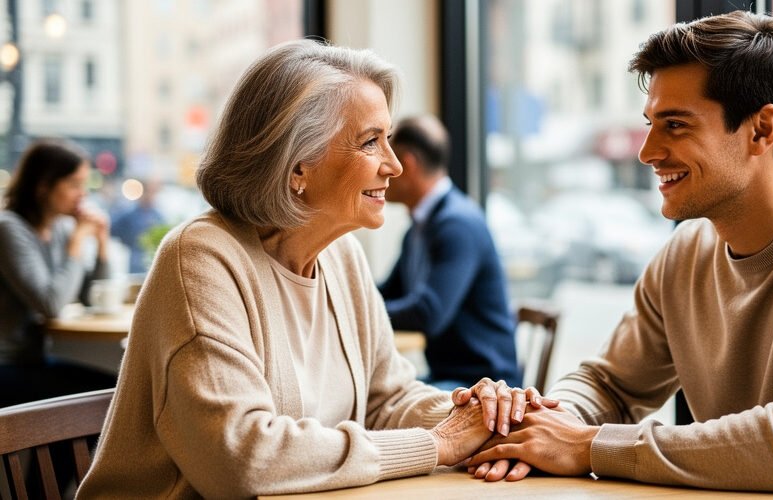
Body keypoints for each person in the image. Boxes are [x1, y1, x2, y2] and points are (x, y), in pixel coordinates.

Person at [466, 10, 773, 498]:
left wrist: (587, 445)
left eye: (676, 125)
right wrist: (542, 424)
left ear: (762, 130)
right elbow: (611, 384)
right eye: (650, 123)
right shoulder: (686, 252)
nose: (647, 151)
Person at [78, 40, 549, 498]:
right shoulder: (201, 257)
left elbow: (386, 399)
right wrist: (439, 443)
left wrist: (482, 415)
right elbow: (241, 458)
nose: (394, 166)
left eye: (388, 139)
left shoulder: (341, 256)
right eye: (370, 142)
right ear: (296, 166)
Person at [379, 114, 520, 390]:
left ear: (407, 164)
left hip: (485, 385)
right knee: (376, 396)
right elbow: (388, 291)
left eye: (388, 160)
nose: (381, 171)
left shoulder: (457, 225)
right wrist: (343, 300)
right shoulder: (420, 228)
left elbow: (428, 313)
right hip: (449, 377)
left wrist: (360, 314)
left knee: (383, 402)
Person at [0, 139, 117, 408]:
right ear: (43, 186)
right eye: (74, 184)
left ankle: (74, 452)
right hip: (7, 363)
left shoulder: (61, 228)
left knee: (114, 390)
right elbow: (50, 303)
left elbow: (90, 296)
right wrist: (77, 243)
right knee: (101, 399)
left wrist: (102, 244)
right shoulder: (8, 229)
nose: (83, 194)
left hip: (32, 360)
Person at [110, 180, 165, 273]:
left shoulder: (158, 215)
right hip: (135, 260)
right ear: (142, 193)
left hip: (152, 260)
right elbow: (113, 228)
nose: (151, 196)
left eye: (153, 193)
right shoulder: (129, 213)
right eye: (148, 192)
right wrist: (126, 240)